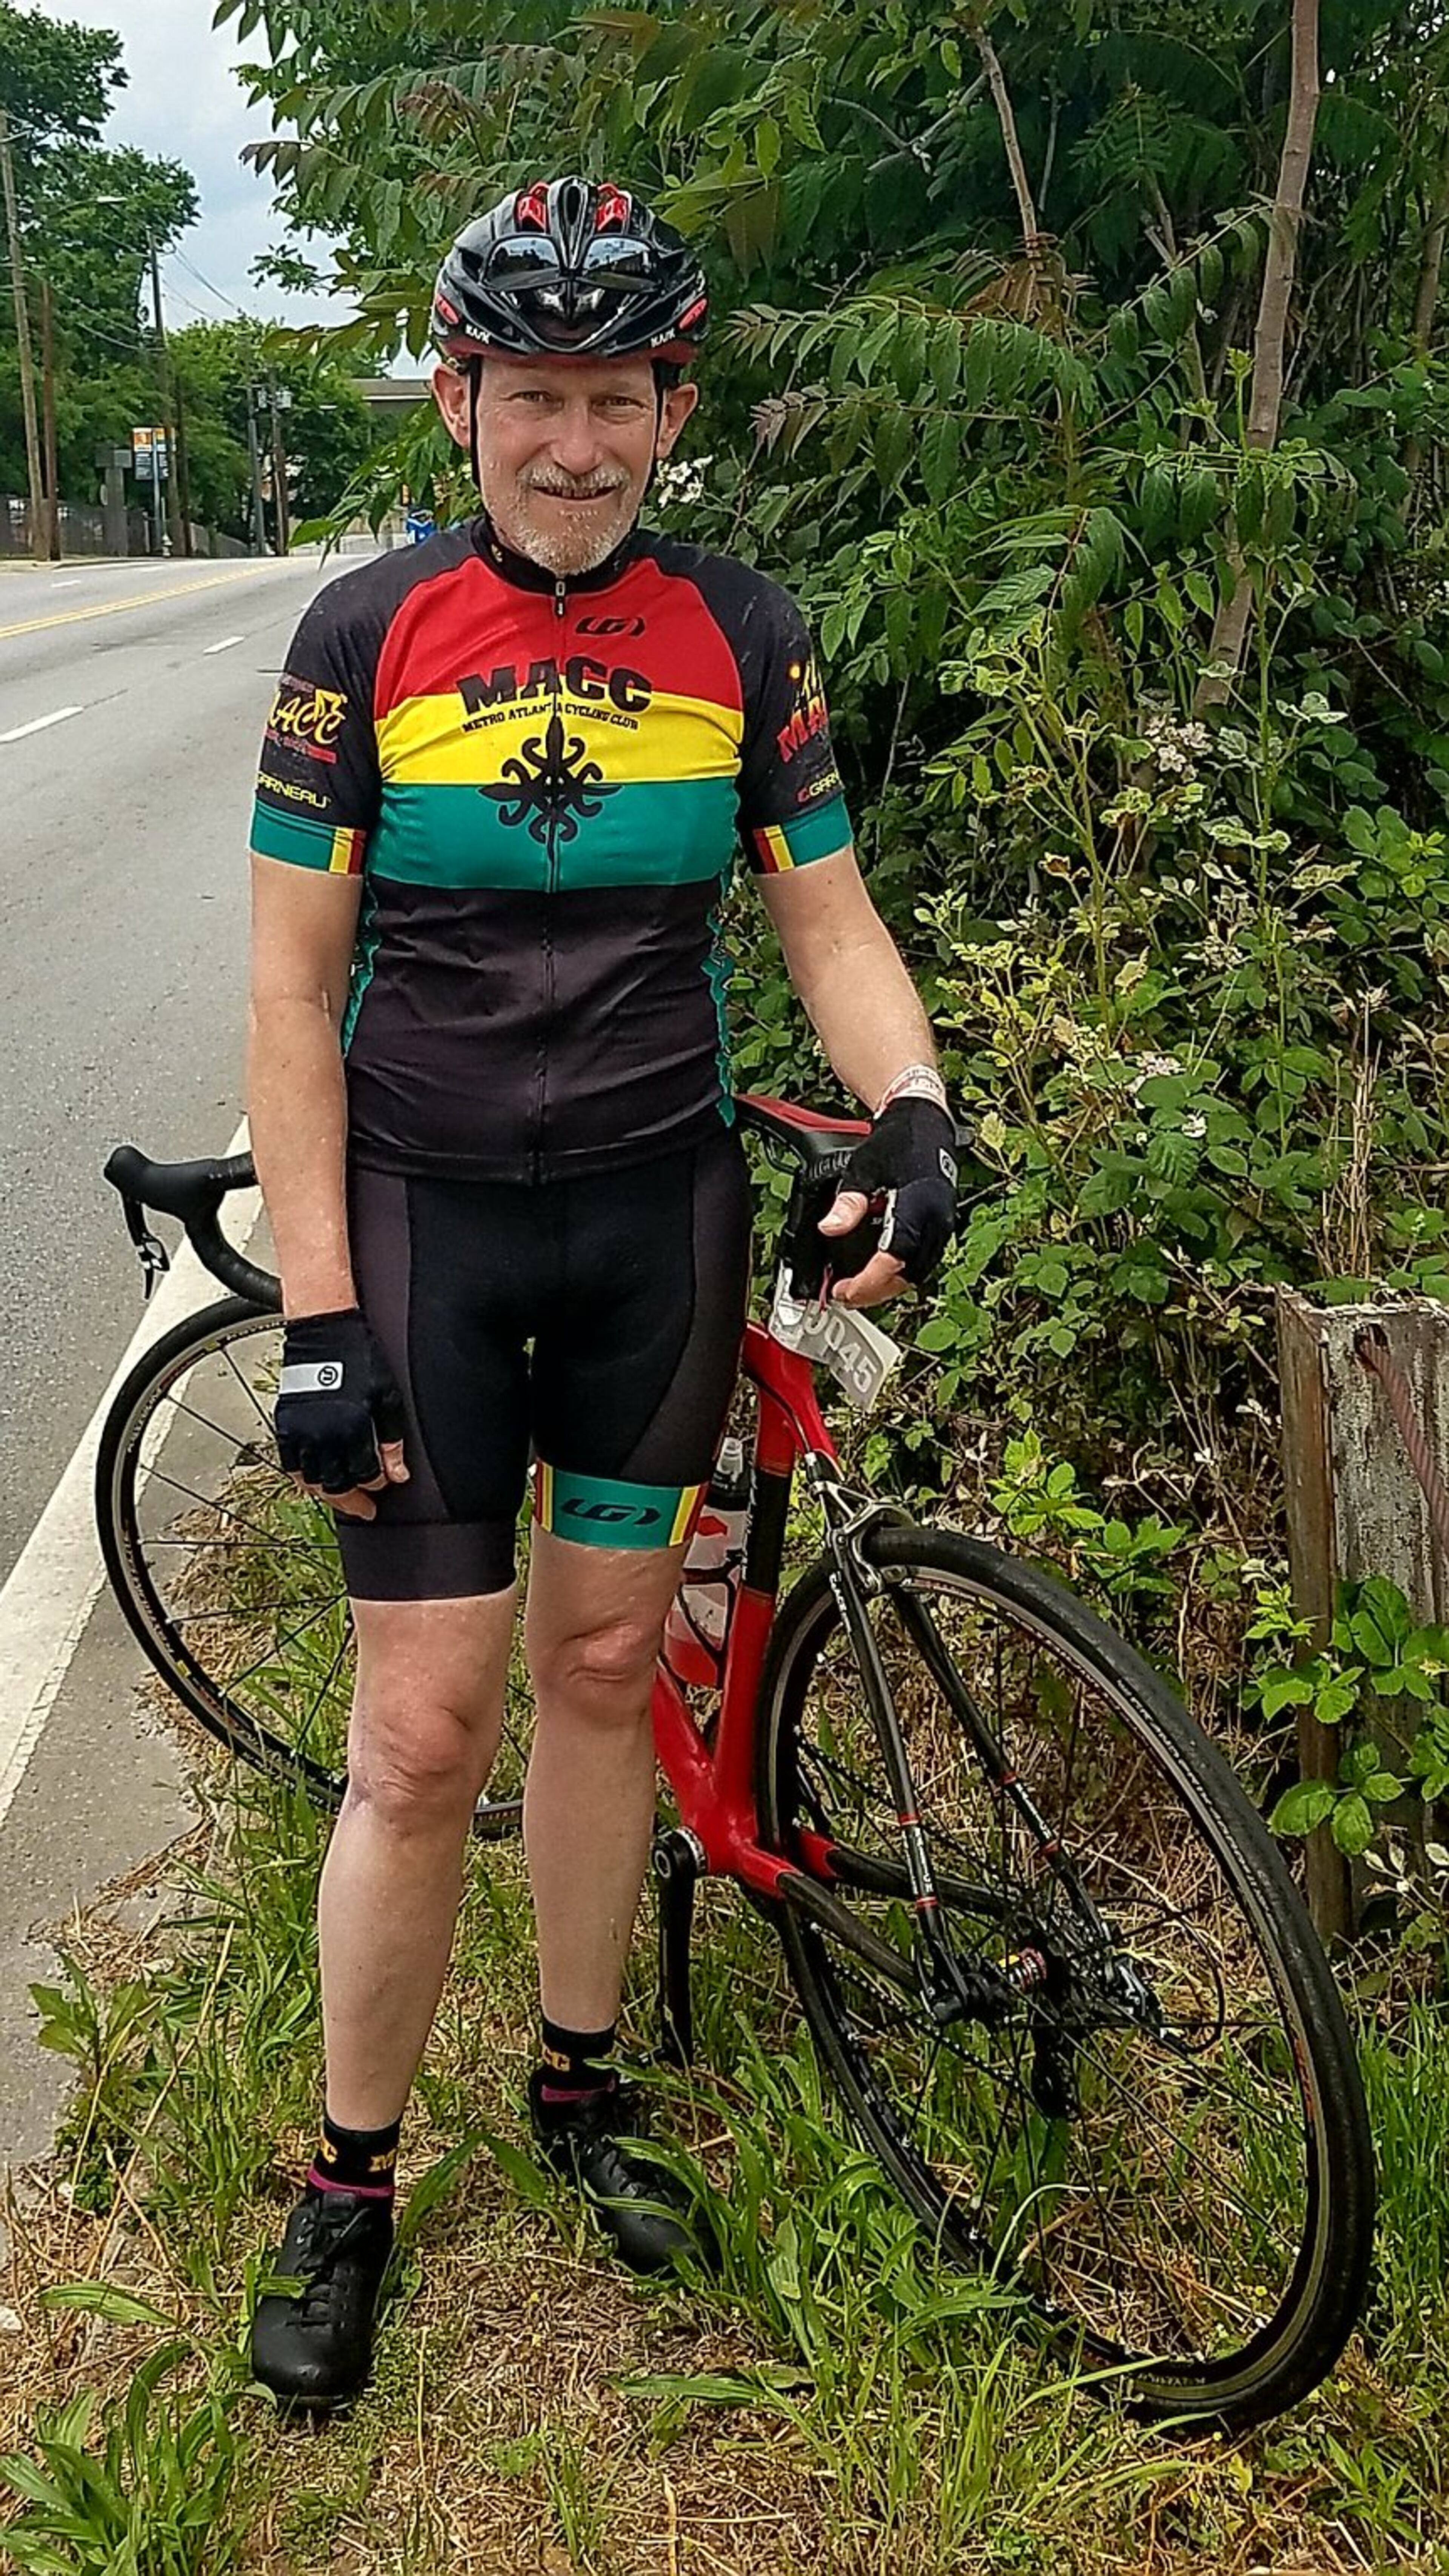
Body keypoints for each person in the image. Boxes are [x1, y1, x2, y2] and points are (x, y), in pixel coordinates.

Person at [245, 174, 957, 2411]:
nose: (576, 444)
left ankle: (576, 2080)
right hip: (427, 1232)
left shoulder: (744, 630)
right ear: (461, 397)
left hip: (658, 1219)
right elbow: (292, 991)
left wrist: (916, 1107)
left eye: (617, 398)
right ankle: (349, 2178)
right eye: (534, 396)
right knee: (415, 1733)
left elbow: (826, 916)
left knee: (602, 1666)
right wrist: (319, 1310)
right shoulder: (362, 635)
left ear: (672, 409)